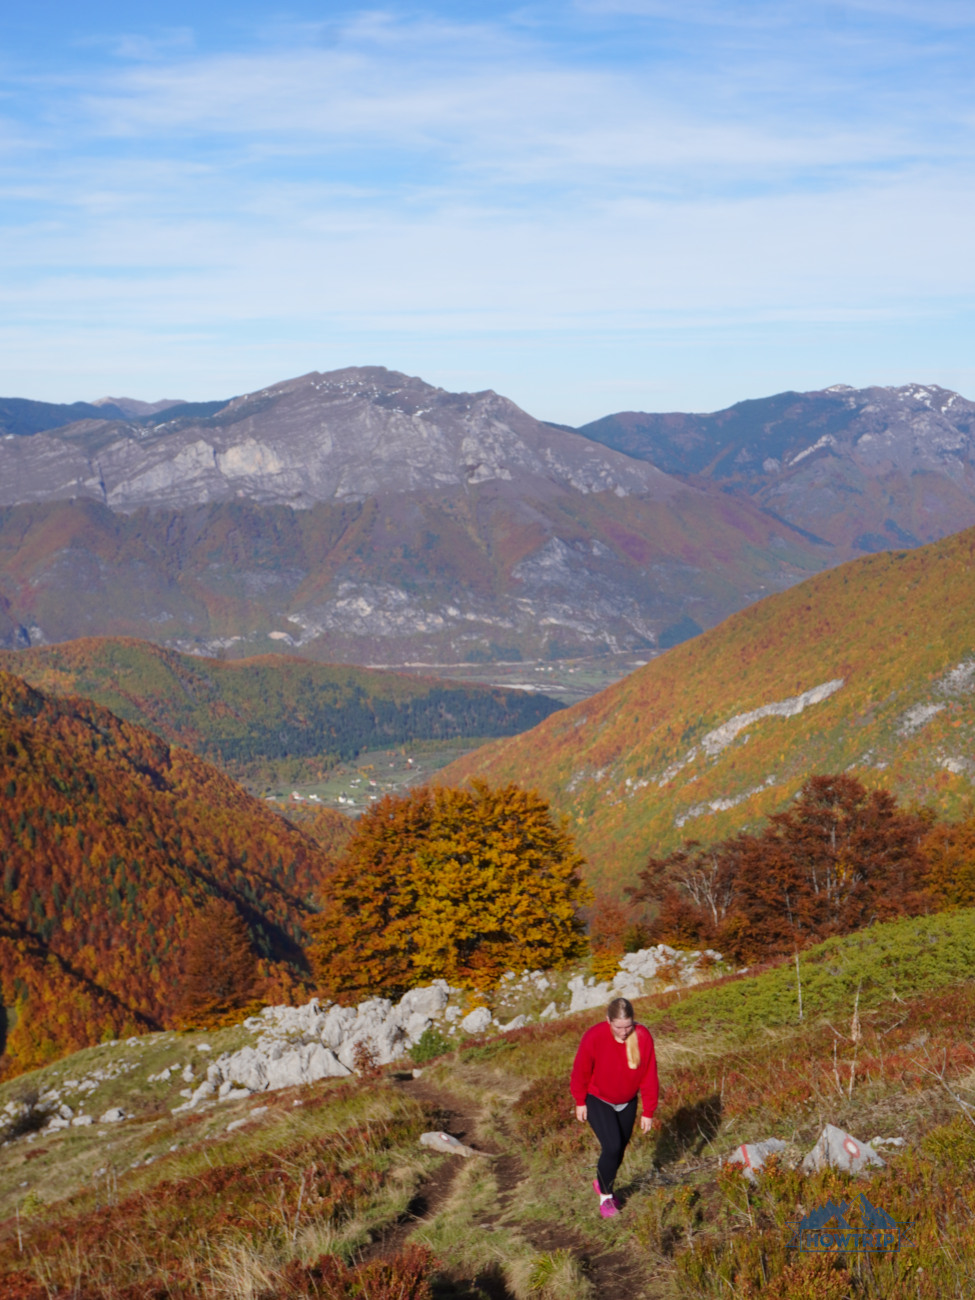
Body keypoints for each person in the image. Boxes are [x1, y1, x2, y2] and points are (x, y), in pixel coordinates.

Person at [570, 996, 658, 1218]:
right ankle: (606, 1197)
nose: (624, 1032)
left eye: (628, 1026)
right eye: (618, 1027)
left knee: (619, 1150)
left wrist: (648, 1111)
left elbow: (649, 1075)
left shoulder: (642, 1036)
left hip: (628, 1102)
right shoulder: (594, 1036)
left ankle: (602, 1182)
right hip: (598, 1099)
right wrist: (580, 1100)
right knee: (612, 1146)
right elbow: (580, 1070)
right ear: (608, 1020)